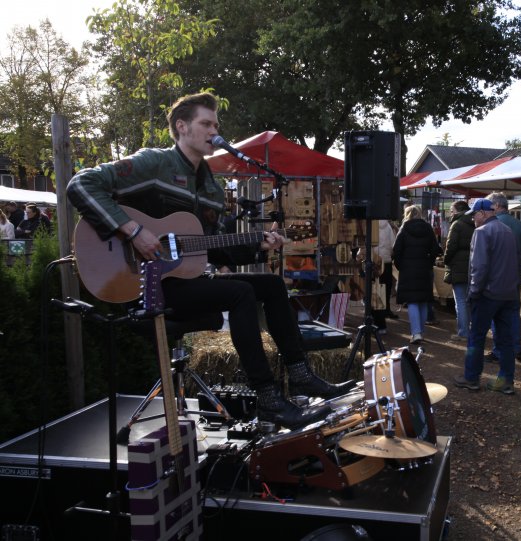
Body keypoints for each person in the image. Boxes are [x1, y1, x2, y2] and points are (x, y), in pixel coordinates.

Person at [67, 92, 353, 429]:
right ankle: (268, 399)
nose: (214, 130)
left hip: (186, 279)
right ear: (182, 127)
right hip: (147, 284)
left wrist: (261, 245)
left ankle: (300, 373)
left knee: (273, 285)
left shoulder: (212, 190)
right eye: (206, 123)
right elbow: (81, 184)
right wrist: (134, 231)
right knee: (240, 294)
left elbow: (214, 248)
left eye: (216, 124)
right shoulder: (154, 163)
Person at [453, 198, 520, 395]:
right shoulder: (508, 231)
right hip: (508, 294)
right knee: (505, 339)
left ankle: (472, 378)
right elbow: (518, 262)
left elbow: (479, 267)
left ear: (483, 213)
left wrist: (473, 292)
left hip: (488, 294)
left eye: (474, 215)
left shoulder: (482, 232)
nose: (473, 219)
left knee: (476, 336)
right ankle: (506, 380)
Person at [485, 192, 521, 363]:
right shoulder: (520, 225)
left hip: (495, 279)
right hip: (516, 277)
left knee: (497, 316)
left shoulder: (490, 225)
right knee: (513, 312)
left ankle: (499, 350)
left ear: (496, 206)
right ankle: (516, 348)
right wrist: (517, 266)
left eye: (490, 206)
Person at [392, 204, 441, 344]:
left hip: (408, 269)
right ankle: (421, 331)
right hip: (424, 268)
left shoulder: (404, 228)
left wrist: (401, 266)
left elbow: (397, 250)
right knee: (423, 300)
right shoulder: (428, 228)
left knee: (412, 301)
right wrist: (428, 262)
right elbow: (435, 249)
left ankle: (416, 332)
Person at [443, 200, 474, 341]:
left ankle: (463, 332)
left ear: (457, 210)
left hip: (458, 266)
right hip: (472, 266)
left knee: (460, 301)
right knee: (468, 301)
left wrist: (445, 260)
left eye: (451, 210)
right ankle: (469, 330)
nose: (450, 212)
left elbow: (450, 247)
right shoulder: (474, 222)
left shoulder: (457, 224)